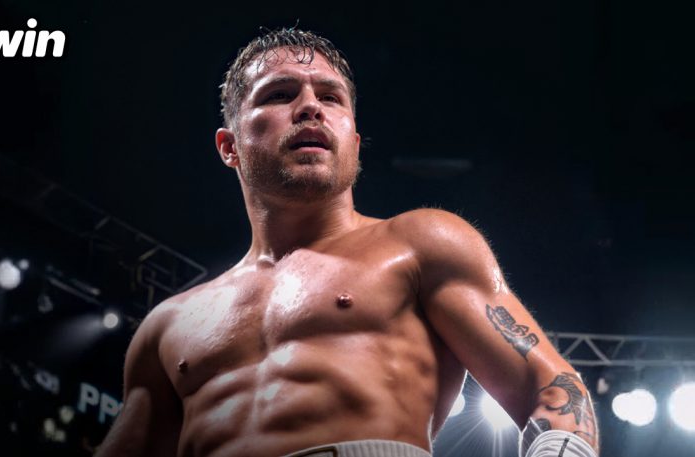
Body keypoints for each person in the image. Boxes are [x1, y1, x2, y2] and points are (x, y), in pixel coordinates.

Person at [95, 28, 600, 457]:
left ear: (354, 142)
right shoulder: (169, 327)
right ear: (229, 146)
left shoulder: (421, 244)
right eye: (280, 94)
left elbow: (552, 389)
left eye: (330, 97)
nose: (310, 108)